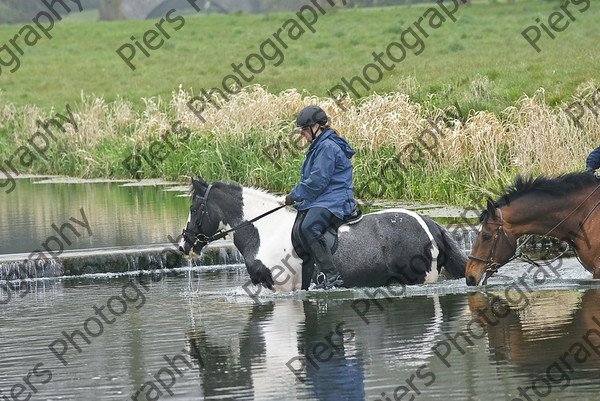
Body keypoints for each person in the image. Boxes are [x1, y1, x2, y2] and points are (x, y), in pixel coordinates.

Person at [281, 105, 356, 289]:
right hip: (325, 198)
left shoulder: (327, 147)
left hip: (336, 200)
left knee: (309, 227)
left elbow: (317, 181)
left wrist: (293, 196)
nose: (303, 135)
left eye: (305, 130)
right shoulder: (319, 146)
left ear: (317, 127)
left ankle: (332, 276)